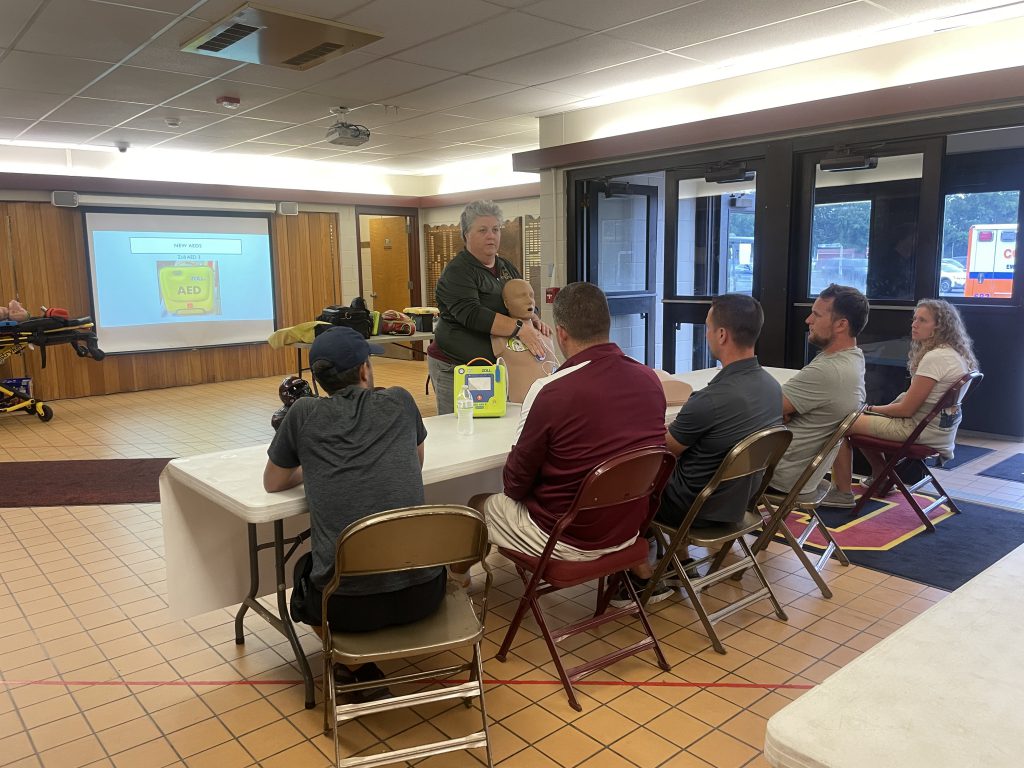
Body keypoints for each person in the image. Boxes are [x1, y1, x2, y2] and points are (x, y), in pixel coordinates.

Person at [263, 326, 445, 700]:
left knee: (303, 573)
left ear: (319, 379)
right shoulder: (399, 401)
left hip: (347, 608)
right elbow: (416, 461)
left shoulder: (302, 414)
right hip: (425, 594)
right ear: (365, 370)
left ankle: (356, 665)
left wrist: (313, 464)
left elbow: (273, 482)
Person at [456, 282, 671, 600]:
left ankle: (454, 588)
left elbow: (515, 484)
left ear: (561, 333)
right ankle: (641, 576)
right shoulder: (649, 379)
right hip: (627, 529)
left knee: (477, 505)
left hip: (567, 538)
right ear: (606, 324)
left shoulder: (551, 391)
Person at [828, 298, 978, 507]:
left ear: (939, 327)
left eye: (922, 320)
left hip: (917, 430)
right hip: (939, 431)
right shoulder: (953, 354)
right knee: (859, 418)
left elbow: (906, 410)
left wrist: (870, 408)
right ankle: (882, 476)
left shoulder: (935, 359)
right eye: (915, 319)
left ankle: (842, 493)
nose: (914, 324)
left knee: (842, 424)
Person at [657, 294, 783, 531]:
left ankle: (638, 559)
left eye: (708, 328)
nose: (706, 335)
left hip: (690, 509)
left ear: (722, 334)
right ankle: (679, 557)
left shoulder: (711, 399)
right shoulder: (772, 388)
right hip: (738, 503)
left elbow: (663, 451)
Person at [428, 200, 550, 415]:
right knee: (460, 428)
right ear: (466, 234)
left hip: (493, 367)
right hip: (456, 366)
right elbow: (473, 314)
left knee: (493, 429)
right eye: (482, 230)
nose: (491, 236)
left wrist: (534, 318)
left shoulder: (506, 267)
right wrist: (520, 327)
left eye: (495, 229)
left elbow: (523, 296)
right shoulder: (458, 272)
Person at [770, 284, 868, 502]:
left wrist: (780, 411)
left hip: (776, 475)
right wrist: (782, 410)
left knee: (688, 452)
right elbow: (774, 409)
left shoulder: (827, 370)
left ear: (841, 325)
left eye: (816, 314)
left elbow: (764, 412)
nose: (808, 320)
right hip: (803, 476)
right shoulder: (853, 358)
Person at [492, 278, 558, 403]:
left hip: (551, 405)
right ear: (506, 303)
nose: (529, 301)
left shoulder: (545, 332)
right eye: (521, 296)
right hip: (518, 410)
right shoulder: (499, 338)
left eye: (531, 296)